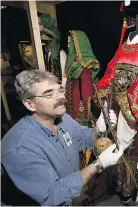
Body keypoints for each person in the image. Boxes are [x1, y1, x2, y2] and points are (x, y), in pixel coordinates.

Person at [1, 69, 123, 206]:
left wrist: (98, 129)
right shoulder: (19, 148)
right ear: (30, 104)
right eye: (49, 94)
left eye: (59, 90)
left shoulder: (62, 118)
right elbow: (53, 194)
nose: (60, 97)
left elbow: (82, 138)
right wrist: (98, 164)